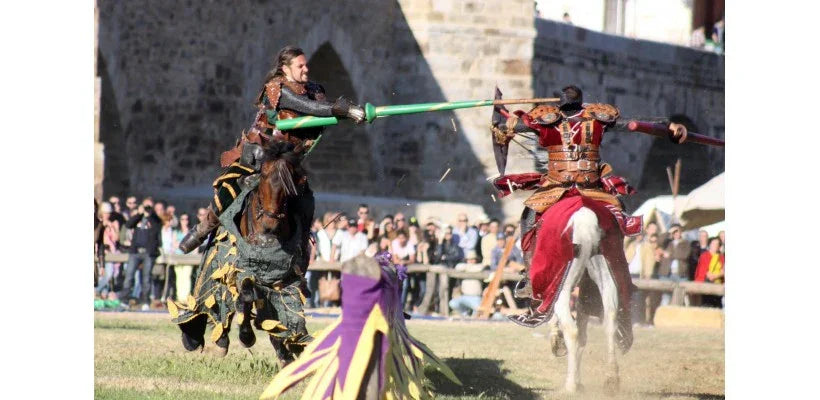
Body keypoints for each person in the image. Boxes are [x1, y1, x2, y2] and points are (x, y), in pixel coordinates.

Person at [491, 84, 688, 327]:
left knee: (528, 219)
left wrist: (502, 126)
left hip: (556, 188)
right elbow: (633, 123)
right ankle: (619, 269)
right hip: (593, 188)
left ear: (559, 102)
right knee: (619, 216)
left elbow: (512, 127)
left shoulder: (545, 120)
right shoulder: (598, 118)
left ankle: (532, 281)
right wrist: (667, 125)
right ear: (581, 102)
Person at [179, 45, 365, 262]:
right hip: (261, 154)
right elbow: (310, 108)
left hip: (287, 160)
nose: (306, 69)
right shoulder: (277, 89)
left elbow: (324, 108)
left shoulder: (313, 89)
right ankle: (203, 228)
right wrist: (346, 110)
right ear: (285, 69)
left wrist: (352, 112)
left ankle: (302, 245)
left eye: (306, 65)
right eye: (300, 66)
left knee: (305, 198)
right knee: (232, 187)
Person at [118, 199, 162, 309]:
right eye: (145, 206)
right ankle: (125, 300)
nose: (147, 208)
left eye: (149, 206)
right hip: (135, 251)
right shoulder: (138, 217)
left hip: (148, 253)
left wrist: (150, 214)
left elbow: (157, 227)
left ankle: (145, 301)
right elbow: (128, 224)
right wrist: (139, 213)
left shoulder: (155, 219)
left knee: (146, 278)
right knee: (129, 276)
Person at [658, 224, 692, 305]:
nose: (676, 233)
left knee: (683, 298)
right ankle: (663, 316)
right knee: (666, 297)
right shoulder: (668, 243)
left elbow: (684, 255)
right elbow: (659, 241)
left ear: (681, 232)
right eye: (674, 232)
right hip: (667, 274)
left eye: (678, 231)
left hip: (680, 274)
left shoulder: (686, 243)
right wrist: (668, 232)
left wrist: (669, 255)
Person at [95, 202, 121, 298]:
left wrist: (112, 227)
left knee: (109, 275)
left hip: (111, 251)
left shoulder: (114, 223)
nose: (107, 215)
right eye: (105, 213)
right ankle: (99, 293)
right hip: (100, 251)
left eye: (109, 213)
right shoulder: (97, 222)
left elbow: (116, 238)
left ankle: (99, 292)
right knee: (101, 275)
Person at [448, 250, 486, 317]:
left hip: (476, 297)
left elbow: (480, 267)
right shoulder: (464, 267)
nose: (470, 261)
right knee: (452, 303)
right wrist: (470, 267)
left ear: (476, 260)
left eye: (472, 259)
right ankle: (465, 314)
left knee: (478, 310)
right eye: (469, 259)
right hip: (465, 296)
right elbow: (458, 266)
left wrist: (468, 268)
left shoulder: (479, 267)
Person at [695, 237, 725, 307]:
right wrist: (715, 275)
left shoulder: (721, 257)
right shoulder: (704, 256)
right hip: (706, 282)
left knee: (718, 305)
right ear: (710, 245)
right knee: (707, 304)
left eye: (717, 244)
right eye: (713, 244)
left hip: (719, 283)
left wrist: (717, 275)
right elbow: (704, 271)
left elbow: (724, 270)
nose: (715, 246)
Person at [392, 230, 418, 310]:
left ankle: (401, 306)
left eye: (403, 238)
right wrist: (400, 262)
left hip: (405, 266)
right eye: (399, 238)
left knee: (405, 285)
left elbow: (412, 259)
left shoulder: (409, 244)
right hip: (395, 267)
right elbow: (394, 259)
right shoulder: (394, 243)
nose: (401, 240)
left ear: (406, 238)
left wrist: (404, 261)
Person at [173, 213, 196, 301]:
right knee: (179, 278)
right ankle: (180, 298)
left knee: (186, 277)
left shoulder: (191, 231)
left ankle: (185, 299)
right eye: (182, 219)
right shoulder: (176, 231)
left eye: (186, 219)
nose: (184, 221)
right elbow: (174, 244)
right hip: (178, 256)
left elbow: (195, 245)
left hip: (189, 257)